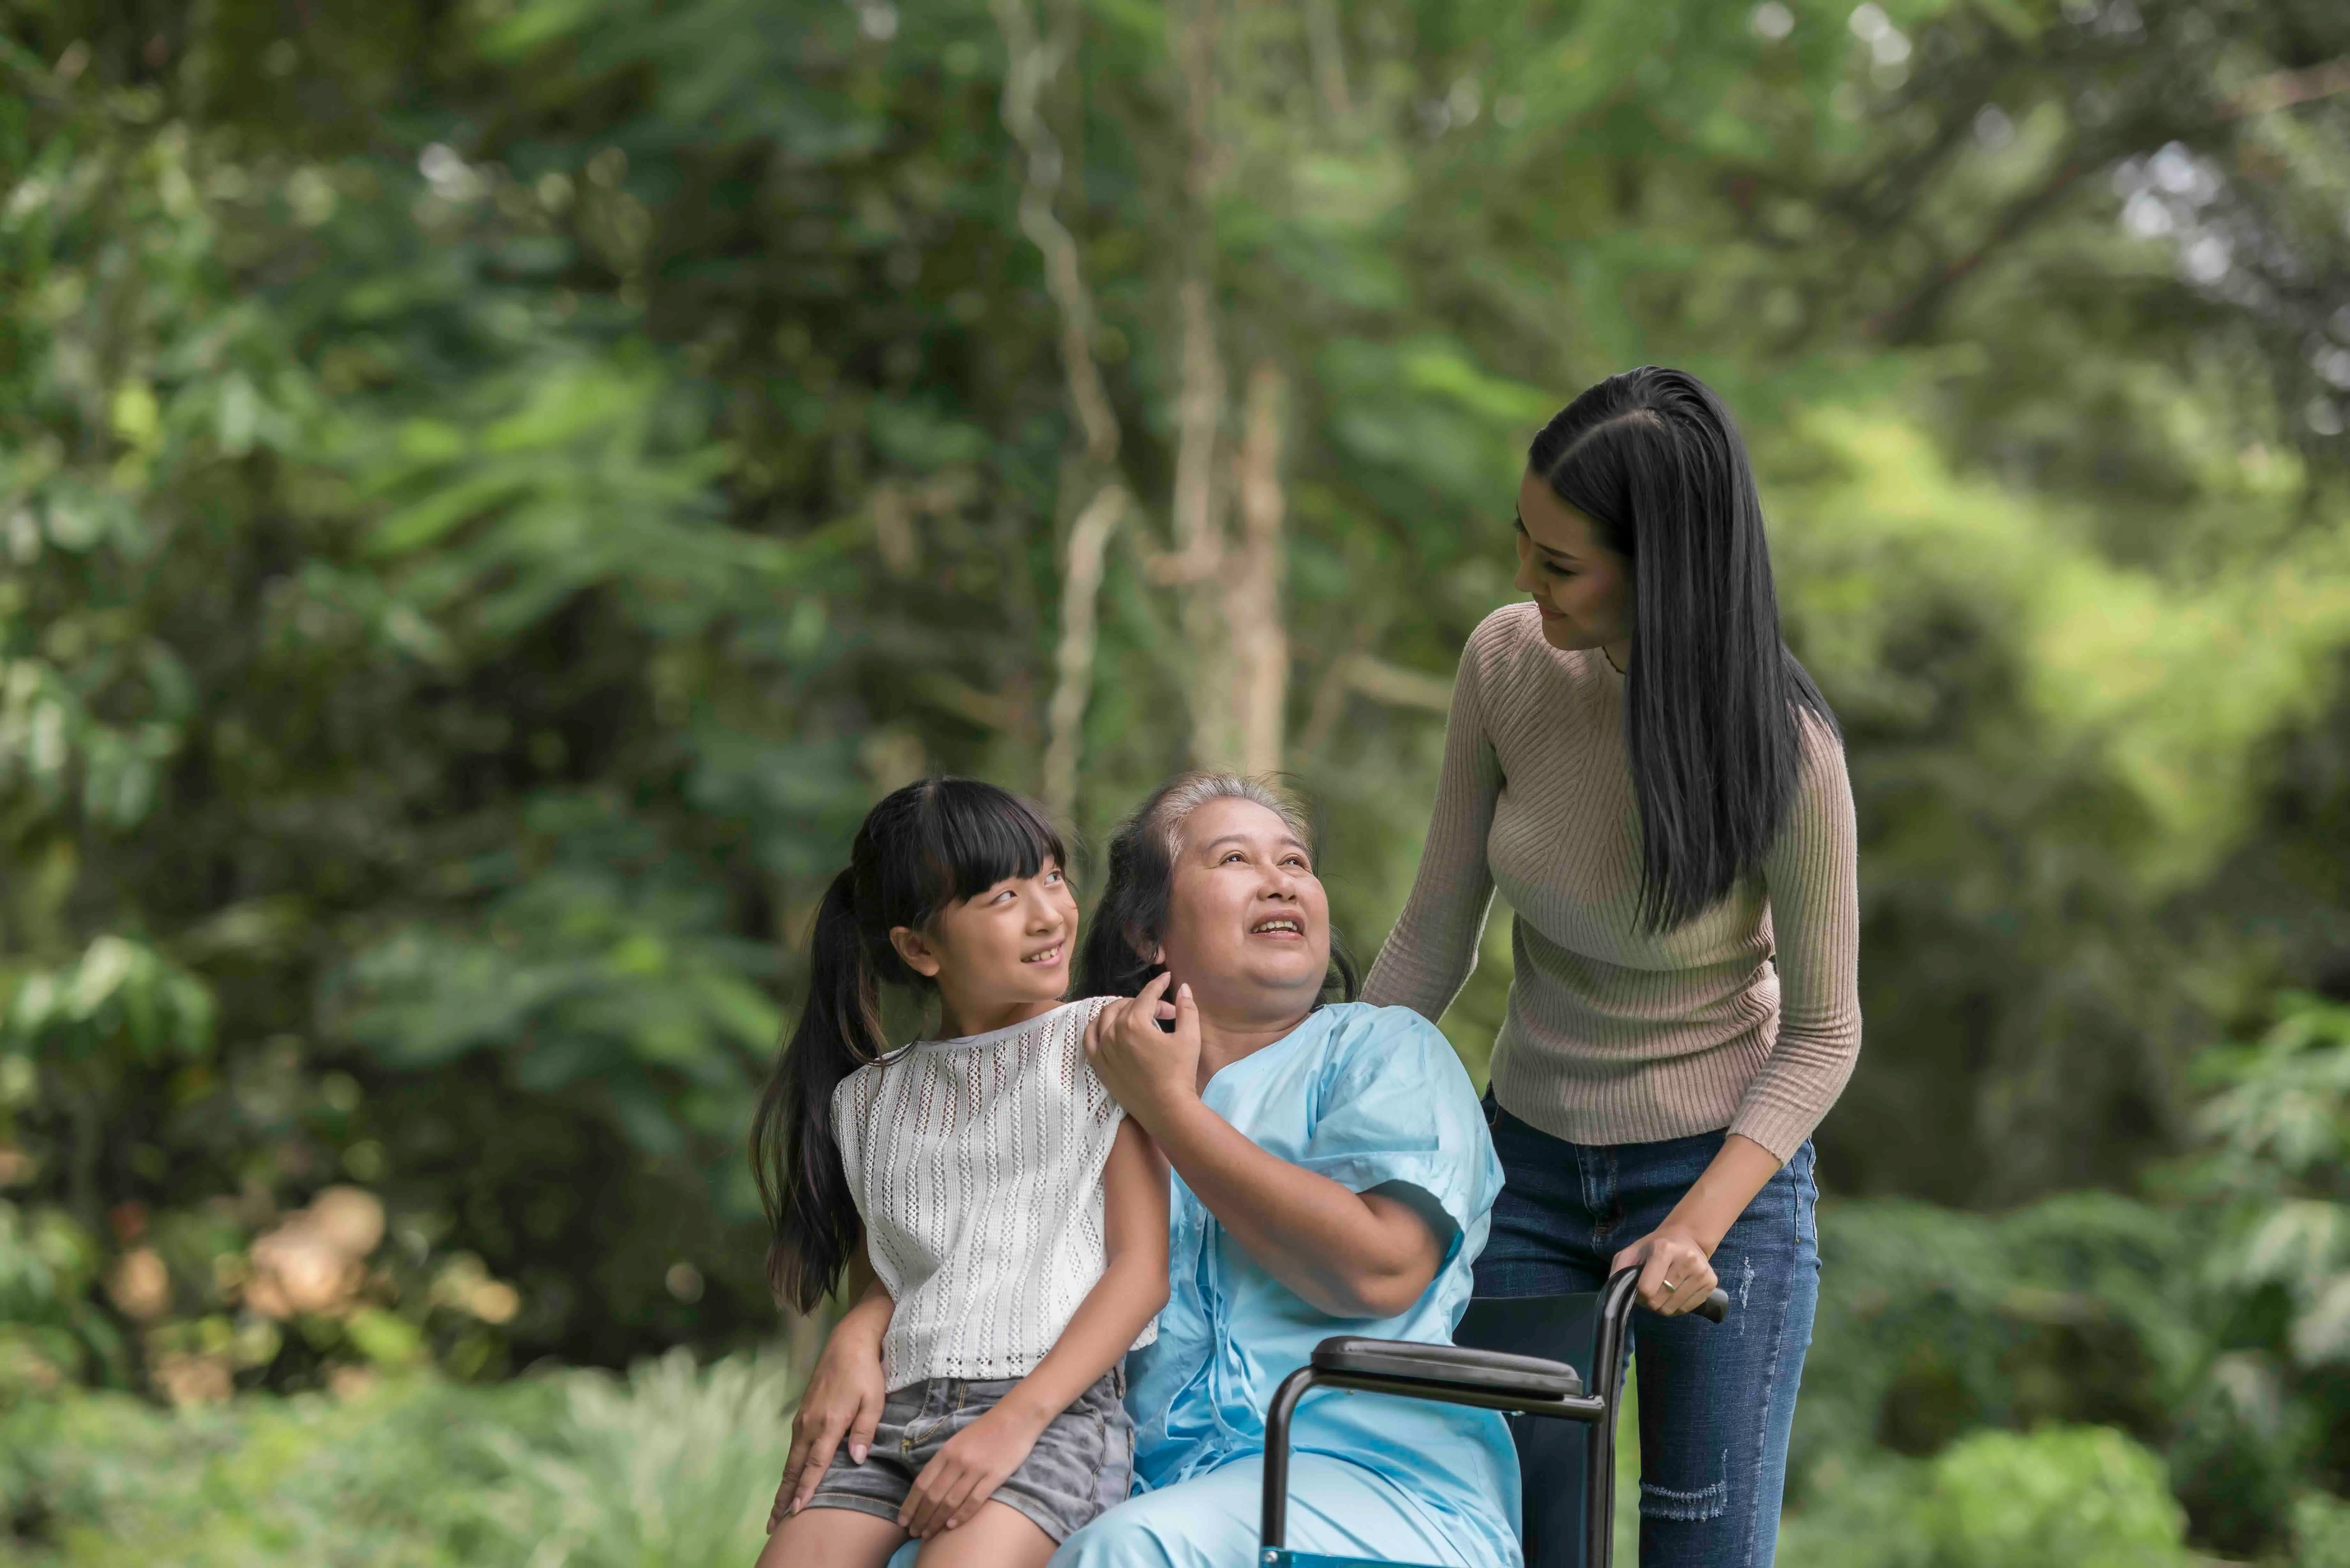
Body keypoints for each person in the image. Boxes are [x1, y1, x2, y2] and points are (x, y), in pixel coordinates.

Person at [1361, 366, 1860, 1568]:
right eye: (1521, 544)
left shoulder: (1786, 755)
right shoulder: (1506, 663)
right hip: (1524, 1162)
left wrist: (1697, 1225)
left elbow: (1826, 1032)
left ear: (1664, 570)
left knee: (1697, 1548)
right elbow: (1433, 932)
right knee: (1510, 1539)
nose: (1525, 585)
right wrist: (1302, 1098)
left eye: (1561, 563)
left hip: (1719, 1180)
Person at [1057, 773, 1520, 1568]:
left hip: (1383, 1497)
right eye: (1234, 858)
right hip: (1140, 1486)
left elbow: (1381, 1269)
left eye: (1297, 863)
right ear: (1147, 934)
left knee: (1130, 1552)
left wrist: (1173, 1112)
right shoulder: (1087, 1101)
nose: (1280, 880)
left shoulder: (1383, 1051)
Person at [750, 778, 1168, 1568]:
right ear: (918, 948)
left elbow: (1142, 1271)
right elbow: (893, 1273)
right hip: (888, 1419)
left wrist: (1014, 1420)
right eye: (1003, 895)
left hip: (1049, 1414)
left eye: (1051, 875)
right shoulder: (867, 1098)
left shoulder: (1102, 1045)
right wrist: (852, 1332)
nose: (1049, 912)